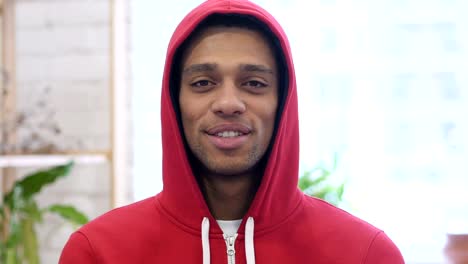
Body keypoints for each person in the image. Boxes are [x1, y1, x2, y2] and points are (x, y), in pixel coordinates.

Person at [59, 0, 404, 263]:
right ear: (174, 101)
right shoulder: (98, 252)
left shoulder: (364, 253)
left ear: (282, 101)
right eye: (203, 83)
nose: (228, 103)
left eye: (253, 83)